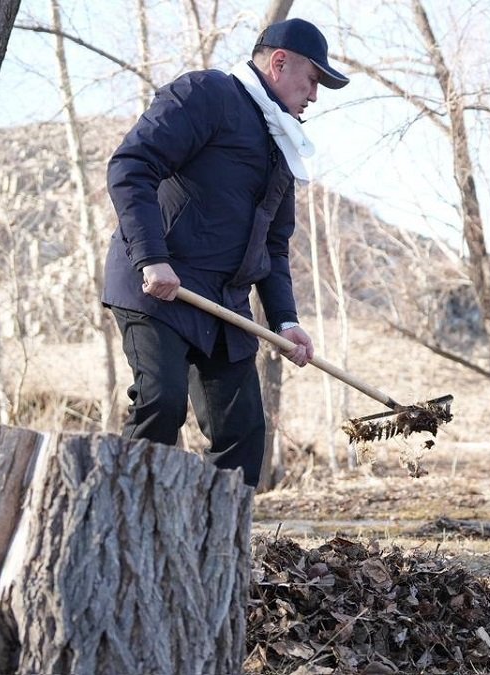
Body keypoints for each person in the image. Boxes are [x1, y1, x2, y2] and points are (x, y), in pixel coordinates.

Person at [102, 18, 349, 488]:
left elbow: (272, 247)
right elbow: (131, 165)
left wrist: (286, 321)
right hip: (159, 288)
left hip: (225, 307)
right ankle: (121, 546)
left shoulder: (282, 144)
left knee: (243, 434)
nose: (315, 94)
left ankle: (215, 554)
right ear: (279, 62)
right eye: (313, 79)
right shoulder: (206, 94)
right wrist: (152, 257)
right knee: (161, 402)